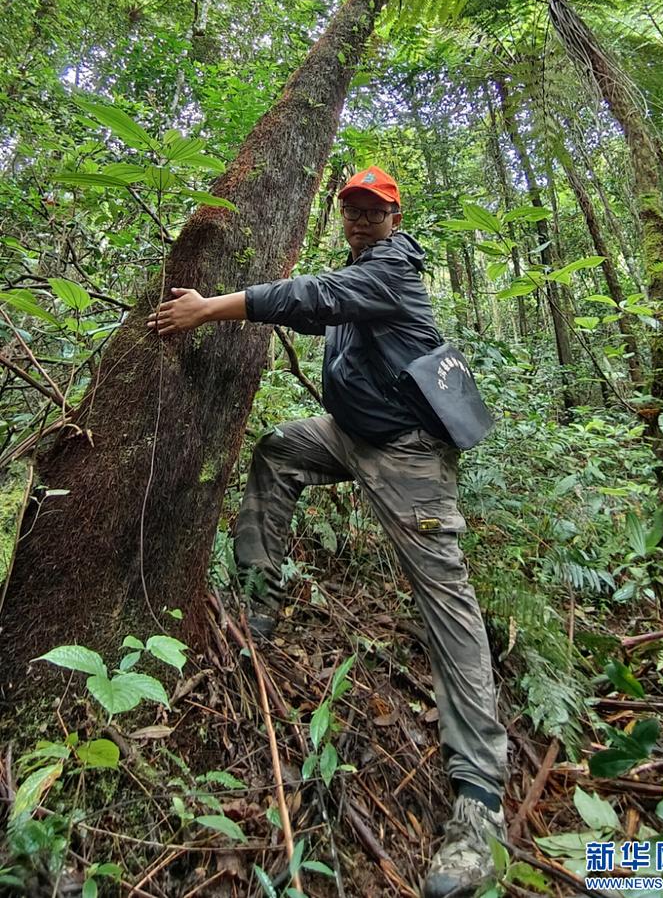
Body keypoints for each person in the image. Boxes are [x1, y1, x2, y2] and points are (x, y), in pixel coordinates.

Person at [148, 165, 509, 896]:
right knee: (280, 449)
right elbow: (312, 309)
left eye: (374, 209)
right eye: (352, 207)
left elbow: (309, 295)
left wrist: (208, 307)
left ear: (396, 215)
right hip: (349, 434)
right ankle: (257, 604)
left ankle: (480, 803)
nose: (361, 217)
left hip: (407, 452)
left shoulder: (392, 271)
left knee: (445, 603)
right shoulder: (358, 270)